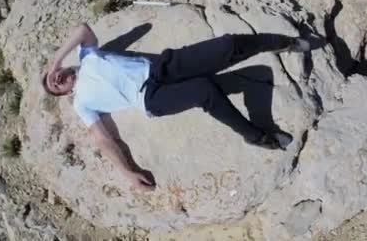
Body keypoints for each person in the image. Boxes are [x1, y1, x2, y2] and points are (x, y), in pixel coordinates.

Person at [43, 23, 310, 191]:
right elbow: (104, 141)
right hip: (150, 98)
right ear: (63, 93)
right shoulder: (81, 103)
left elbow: (82, 29)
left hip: (162, 66)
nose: (56, 80)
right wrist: (128, 173)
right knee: (205, 90)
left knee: (229, 44)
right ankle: (258, 137)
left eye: (54, 77)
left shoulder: (87, 56)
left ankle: (285, 42)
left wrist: (53, 63)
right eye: (55, 86)